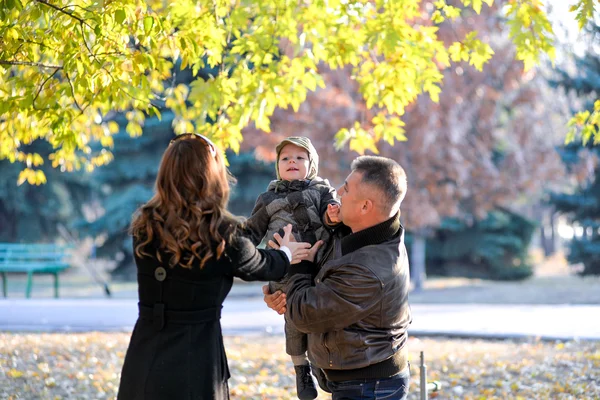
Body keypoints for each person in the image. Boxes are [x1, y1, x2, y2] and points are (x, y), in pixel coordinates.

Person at [117, 133, 313, 400]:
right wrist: (287, 252)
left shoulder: (146, 224)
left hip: (146, 354)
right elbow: (262, 265)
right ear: (211, 176)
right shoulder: (222, 232)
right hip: (196, 357)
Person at [265, 155, 412, 400]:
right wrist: (281, 294)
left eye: (347, 188)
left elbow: (305, 315)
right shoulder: (359, 232)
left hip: (369, 387)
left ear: (365, 207)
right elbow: (321, 284)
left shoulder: (369, 269)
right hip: (356, 379)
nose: (338, 192)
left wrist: (297, 263)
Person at [244, 136, 341, 400]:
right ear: (277, 165)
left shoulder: (322, 191)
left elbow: (334, 219)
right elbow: (251, 235)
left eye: (300, 157)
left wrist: (332, 218)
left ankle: (321, 363)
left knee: (320, 316)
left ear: (312, 164)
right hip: (285, 269)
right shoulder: (267, 198)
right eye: (285, 158)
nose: (292, 162)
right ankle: (301, 368)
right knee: (295, 318)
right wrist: (266, 257)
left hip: (319, 266)